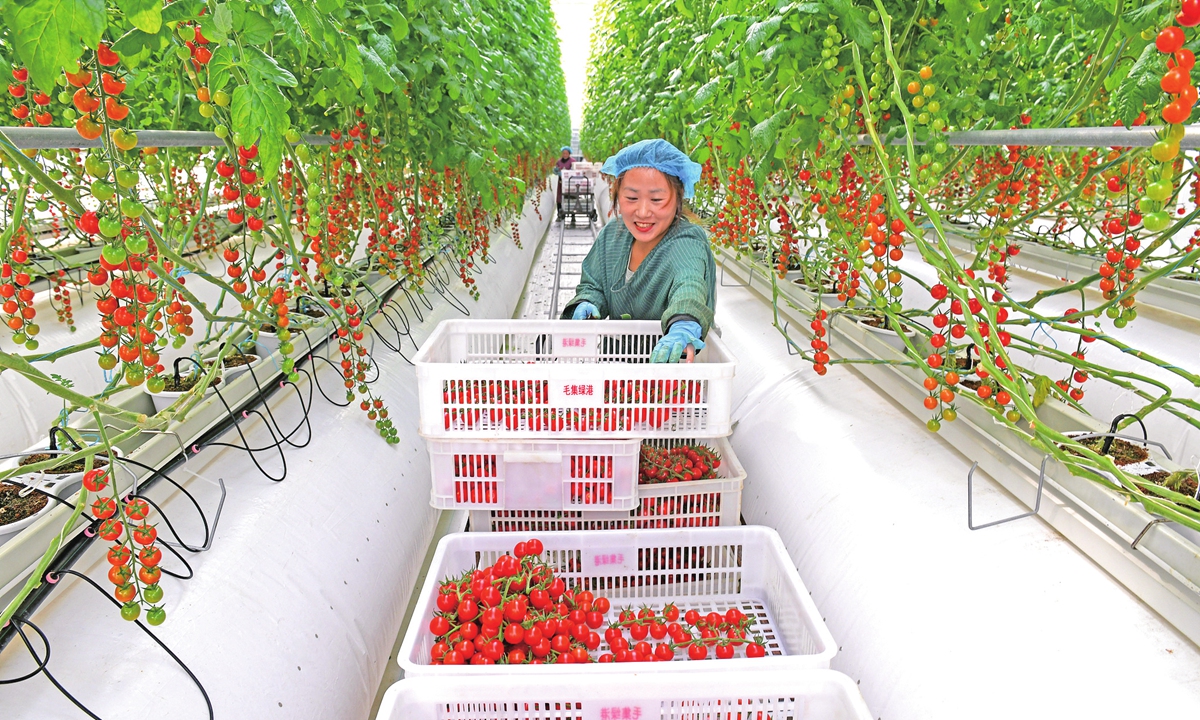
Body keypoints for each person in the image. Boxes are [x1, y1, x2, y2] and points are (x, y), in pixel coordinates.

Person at [560, 138, 714, 364]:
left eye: (657, 199)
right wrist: (588, 302)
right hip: (617, 370)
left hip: (671, 376)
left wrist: (683, 323)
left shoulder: (687, 242)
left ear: (678, 197)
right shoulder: (613, 235)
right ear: (617, 194)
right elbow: (595, 285)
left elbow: (689, 284)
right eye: (631, 198)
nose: (642, 212)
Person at [554, 146, 573, 219]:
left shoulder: (572, 161)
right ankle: (559, 213)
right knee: (559, 197)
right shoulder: (559, 161)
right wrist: (556, 171)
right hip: (561, 182)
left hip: (570, 183)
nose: (565, 154)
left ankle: (572, 215)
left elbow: (574, 170)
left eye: (566, 153)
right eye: (563, 153)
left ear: (569, 154)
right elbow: (557, 169)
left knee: (571, 197)